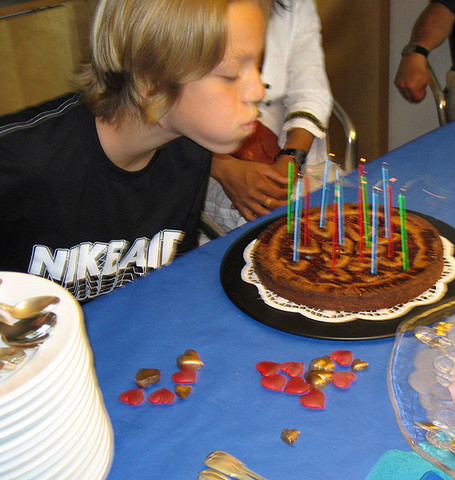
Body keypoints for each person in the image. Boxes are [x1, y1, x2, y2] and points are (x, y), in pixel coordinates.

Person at [0, 0, 268, 302]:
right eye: (231, 74)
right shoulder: (20, 163)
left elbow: (167, 278)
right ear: (150, 81)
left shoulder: (189, 150)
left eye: (257, 66)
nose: (258, 90)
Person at [204, 0, 333, 233]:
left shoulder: (293, 5)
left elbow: (309, 92)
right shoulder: (180, 14)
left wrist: (290, 159)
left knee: (327, 215)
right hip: (199, 158)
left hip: (283, 145)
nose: (259, 90)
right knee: (271, 226)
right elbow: (164, 113)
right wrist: (223, 168)